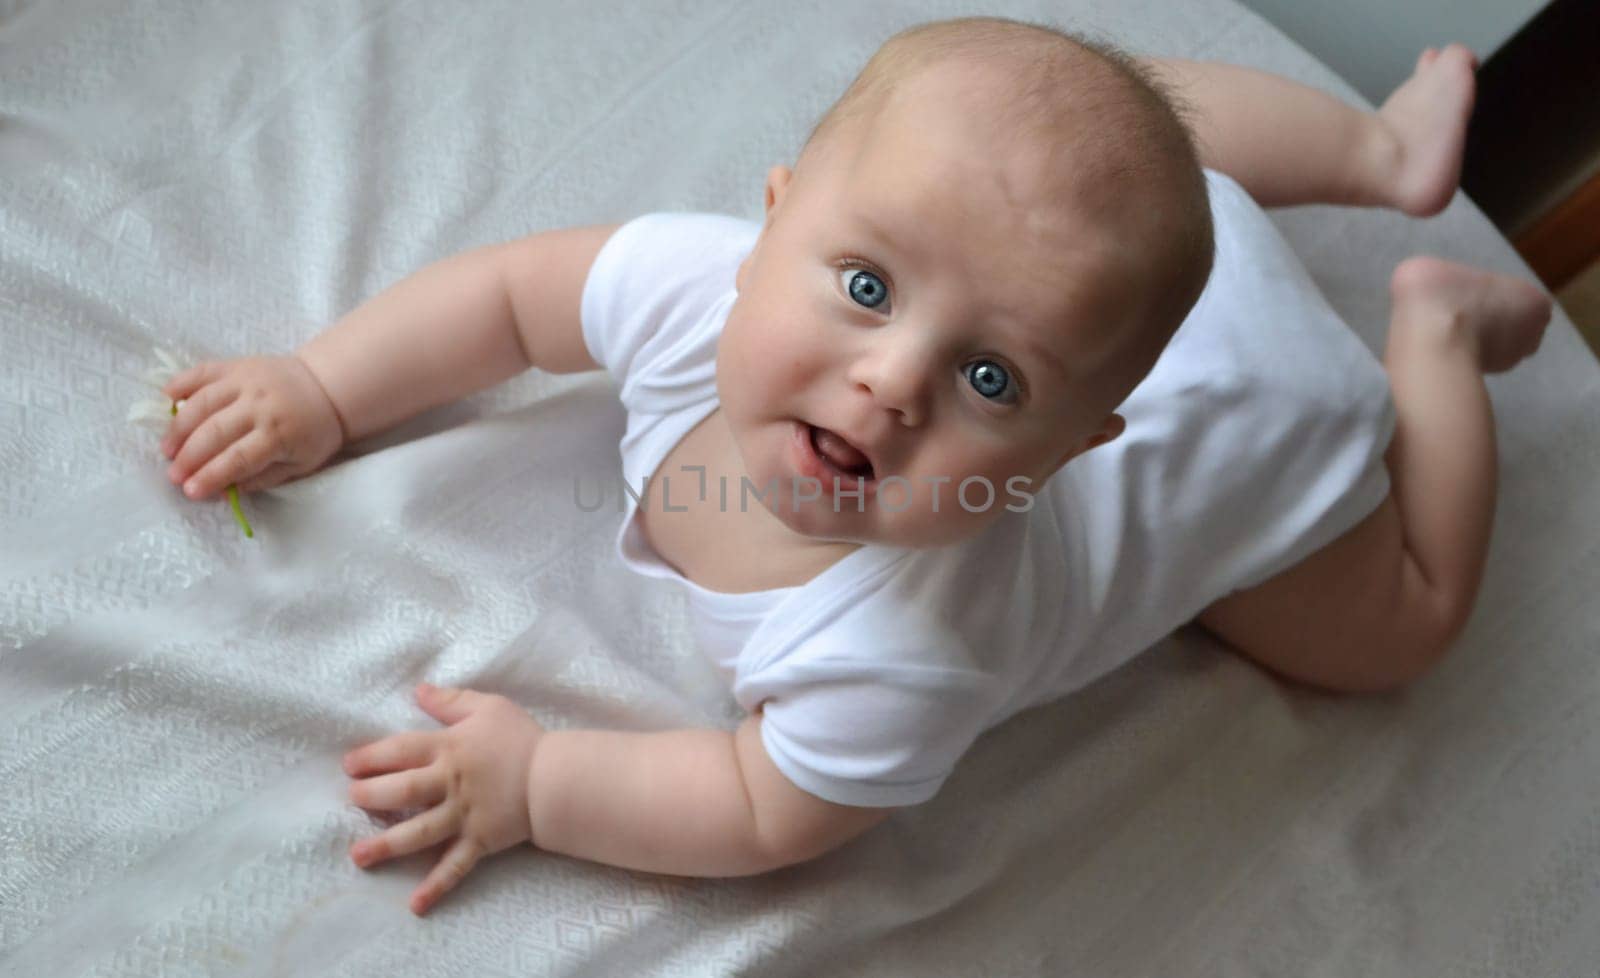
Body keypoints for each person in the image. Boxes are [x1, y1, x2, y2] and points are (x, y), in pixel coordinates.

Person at [154, 18, 1551, 916]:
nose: (891, 382)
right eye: (868, 283)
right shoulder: (697, 287)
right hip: (1142, 265)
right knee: (1092, 125)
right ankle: (1380, 150)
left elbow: (766, 809)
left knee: (1406, 624)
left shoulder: (903, 646)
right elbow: (514, 298)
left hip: (1262, 451)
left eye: (987, 383)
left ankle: (1431, 335)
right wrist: (324, 386)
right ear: (771, 220)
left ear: (1069, 453)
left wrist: (541, 785)